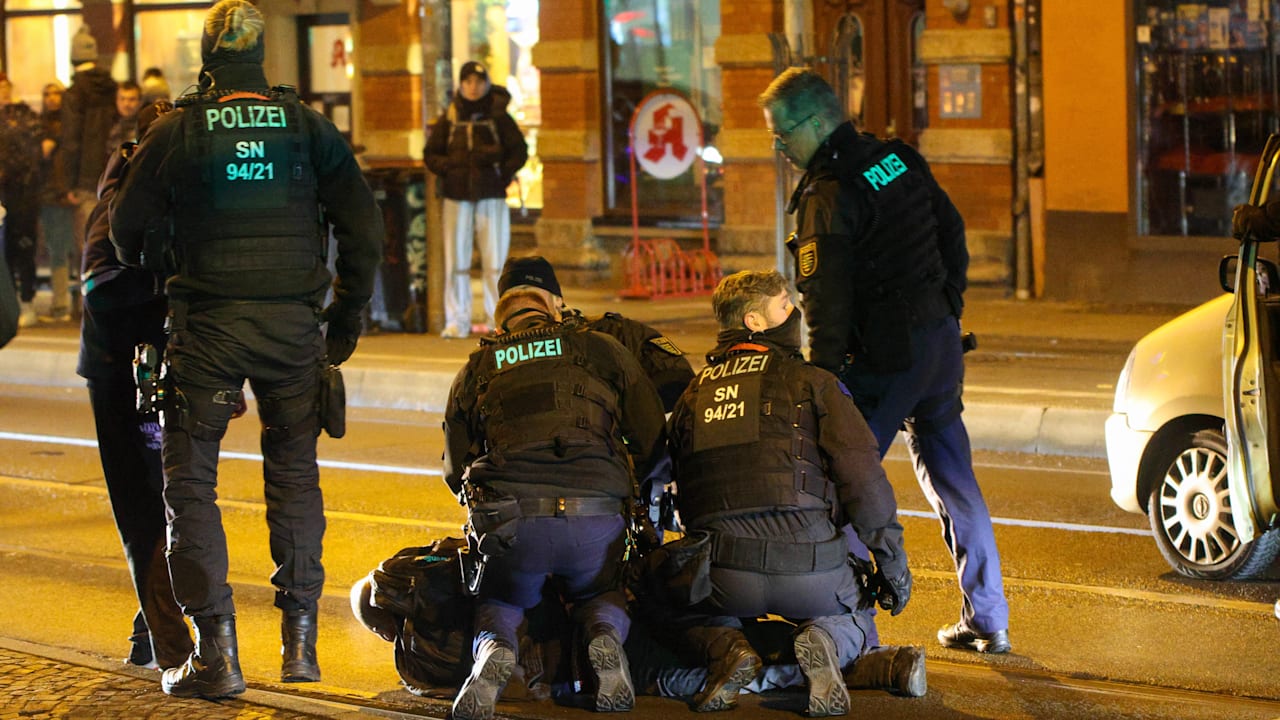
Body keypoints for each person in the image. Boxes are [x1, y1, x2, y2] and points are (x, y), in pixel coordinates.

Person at [109, 0, 383, 699]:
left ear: (207, 57)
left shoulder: (179, 130)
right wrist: (344, 320)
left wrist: (163, 255)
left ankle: (217, 655)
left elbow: (124, 228)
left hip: (207, 328)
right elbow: (364, 229)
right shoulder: (306, 127)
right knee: (294, 478)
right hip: (294, 329)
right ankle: (300, 646)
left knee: (191, 486)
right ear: (263, 59)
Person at [758, 67, 1011, 654]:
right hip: (939, 344)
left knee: (839, 481)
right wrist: (947, 305)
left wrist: (820, 386)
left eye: (782, 133)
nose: (778, 146)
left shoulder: (828, 194)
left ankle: (847, 631)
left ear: (818, 122)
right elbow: (951, 229)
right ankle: (989, 616)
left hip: (883, 361)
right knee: (955, 480)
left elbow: (826, 303)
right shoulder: (896, 158)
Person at [661, 269, 917, 715]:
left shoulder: (692, 395)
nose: (794, 312)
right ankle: (824, 642)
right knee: (856, 619)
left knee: (673, 612)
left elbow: (671, 491)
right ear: (756, 323)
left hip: (722, 577)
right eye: (784, 304)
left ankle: (729, 646)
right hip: (812, 572)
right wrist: (893, 567)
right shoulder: (813, 383)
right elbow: (865, 483)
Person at [442, 288, 667, 719]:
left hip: (514, 523)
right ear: (552, 310)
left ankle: (494, 651)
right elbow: (651, 432)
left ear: (502, 325)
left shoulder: (479, 366)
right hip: (596, 517)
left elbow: (455, 470)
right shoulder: (600, 347)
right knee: (601, 591)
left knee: (502, 600)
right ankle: (603, 636)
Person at [77, 98, 193, 671]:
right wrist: (165, 287)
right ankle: (168, 642)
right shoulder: (122, 197)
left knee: (172, 498)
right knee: (144, 504)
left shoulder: (167, 193)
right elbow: (99, 285)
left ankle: (156, 628)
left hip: (165, 365)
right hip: (121, 370)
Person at [497, 254, 694, 411]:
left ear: (558, 300)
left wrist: (621, 418)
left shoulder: (613, 333)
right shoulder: (493, 359)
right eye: (511, 297)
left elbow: (678, 377)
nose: (521, 302)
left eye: (531, 293)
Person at [423, 60, 528, 339]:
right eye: (468, 81)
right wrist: (449, 167)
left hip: (491, 196)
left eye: (478, 82)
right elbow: (430, 154)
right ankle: (457, 320)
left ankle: (498, 320)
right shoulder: (451, 115)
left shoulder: (498, 117)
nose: (473, 87)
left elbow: (519, 151)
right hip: (456, 196)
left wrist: (501, 172)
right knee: (455, 261)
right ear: (460, 84)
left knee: (494, 261)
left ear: (486, 84)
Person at [60, 24, 118, 321]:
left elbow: (70, 141)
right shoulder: (112, 89)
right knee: (110, 239)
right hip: (113, 176)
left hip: (84, 179)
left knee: (85, 243)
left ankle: (90, 309)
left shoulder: (74, 94)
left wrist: (68, 182)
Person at [0, 73, 44, 327]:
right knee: (4, 252)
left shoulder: (25, 115)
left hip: (23, 193)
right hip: (4, 194)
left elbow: (34, 150)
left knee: (24, 248)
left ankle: (26, 299)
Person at [38, 81, 76, 322]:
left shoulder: (71, 124)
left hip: (67, 193)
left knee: (77, 250)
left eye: (56, 93)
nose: (52, 98)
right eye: (47, 93)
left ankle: (69, 304)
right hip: (50, 195)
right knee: (58, 251)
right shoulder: (40, 125)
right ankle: (61, 304)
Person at [104, 80, 142, 157]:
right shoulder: (106, 125)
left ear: (140, 102)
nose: (126, 104)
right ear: (116, 101)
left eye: (132, 99)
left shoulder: (144, 126)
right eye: (122, 99)